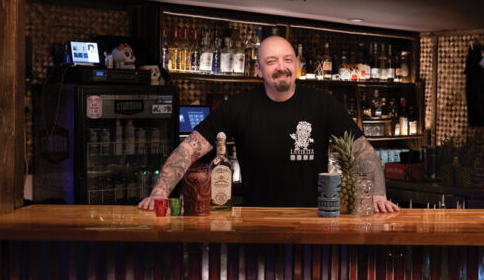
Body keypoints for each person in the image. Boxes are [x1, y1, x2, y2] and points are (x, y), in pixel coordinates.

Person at [138, 36, 400, 212]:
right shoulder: (238, 107)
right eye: (271, 62)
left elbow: (364, 153)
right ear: (258, 70)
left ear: (296, 65)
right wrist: (160, 191)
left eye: (287, 60)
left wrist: (377, 195)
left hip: (313, 220)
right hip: (256, 223)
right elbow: (188, 149)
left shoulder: (322, 104)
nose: (281, 67)